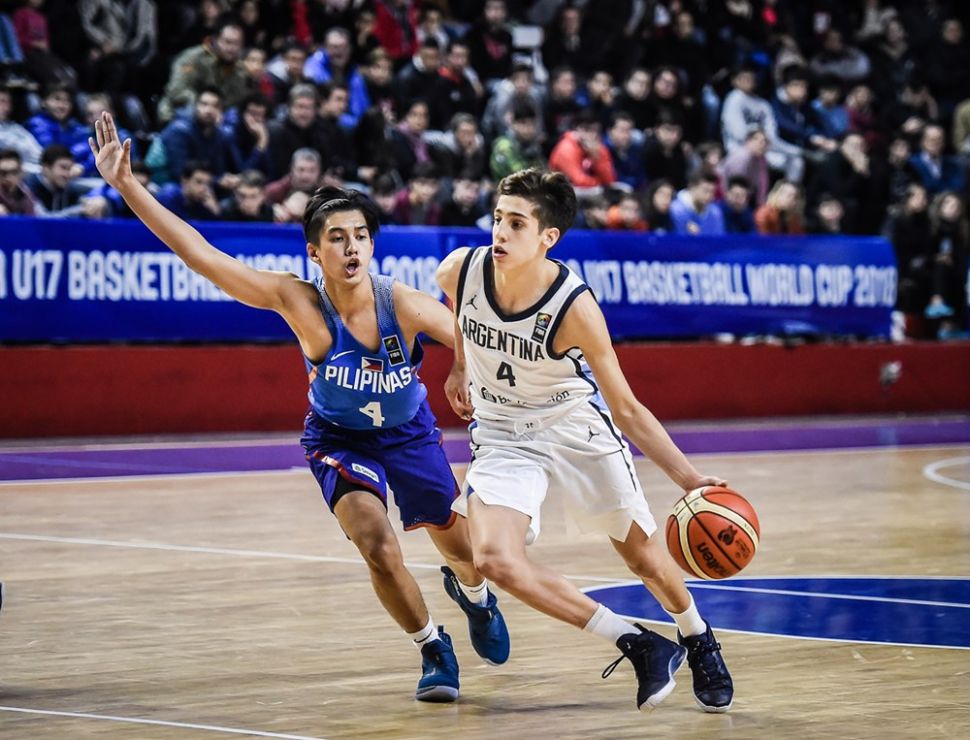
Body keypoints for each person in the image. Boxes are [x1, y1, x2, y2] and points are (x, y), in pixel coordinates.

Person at [87, 110, 510, 703]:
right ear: (315, 251)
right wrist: (128, 185)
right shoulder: (298, 301)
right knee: (376, 544)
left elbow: (471, 329)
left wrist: (462, 367)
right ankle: (431, 646)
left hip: (409, 433)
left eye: (360, 235)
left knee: (462, 549)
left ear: (372, 244)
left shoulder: (402, 303)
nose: (352, 246)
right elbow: (203, 256)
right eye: (337, 237)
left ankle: (475, 596)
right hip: (338, 438)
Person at [435, 167, 733, 713]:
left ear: (547, 237)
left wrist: (689, 479)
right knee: (495, 559)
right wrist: (460, 364)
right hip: (502, 433)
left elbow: (627, 408)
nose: (500, 232)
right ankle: (637, 643)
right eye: (498, 218)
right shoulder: (461, 269)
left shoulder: (574, 308)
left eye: (517, 224)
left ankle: (697, 635)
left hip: (573, 426)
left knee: (644, 559)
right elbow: (461, 311)